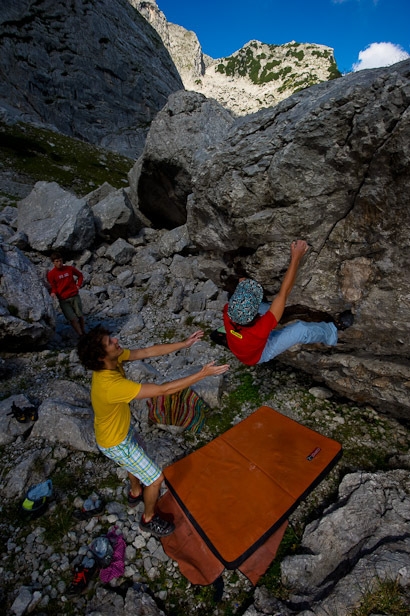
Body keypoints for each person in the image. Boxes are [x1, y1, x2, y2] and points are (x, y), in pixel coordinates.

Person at [77, 326, 229, 538]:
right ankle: (148, 519)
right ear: (102, 356)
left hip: (118, 432)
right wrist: (202, 374)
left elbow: (147, 352)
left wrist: (184, 343)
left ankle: (135, 492)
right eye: (110, 342)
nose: (116, 339)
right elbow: (162, 391)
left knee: (137, 456)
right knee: (156, 479)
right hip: (117, 443)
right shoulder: (110, 385)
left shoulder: (112, 360)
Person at [222, 239, 351, 366]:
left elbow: (241, 287)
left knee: (270, 309)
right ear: (255, 316)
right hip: (260, 353)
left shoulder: (228, 310)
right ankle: (332, 330)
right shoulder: (260, 330)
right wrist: (296, 257)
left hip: (242, 345)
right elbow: (284, 292)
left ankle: (275, 313)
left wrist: (243, 284)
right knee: (301, 330)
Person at [47, 252, 86, 336]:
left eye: (60, 261)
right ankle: (81, 335)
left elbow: (80, 275)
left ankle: (83, 331)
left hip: (74, 295)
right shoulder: (51, 274)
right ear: (53, 262)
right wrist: (53, 293)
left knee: (80, 315)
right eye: (57, 261)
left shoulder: (69, 268)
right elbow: (53, 287)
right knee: (72, 318)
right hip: (63, 299)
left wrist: (78, 285)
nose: (59, 263)